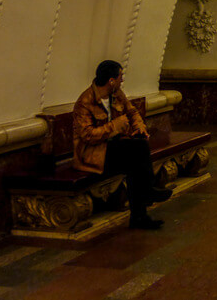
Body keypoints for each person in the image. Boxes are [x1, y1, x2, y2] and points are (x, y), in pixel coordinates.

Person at [73, 60, 173, 229]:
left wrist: (140, 128)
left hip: (113, 148)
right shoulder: (85, 102)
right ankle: (146, 196)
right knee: (138, 152)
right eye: (120, 77)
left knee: (137, 157)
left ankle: (139, 217)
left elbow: (132, 112)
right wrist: (114, 126)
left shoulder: (117, 94)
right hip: (93, 154)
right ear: (111, 80)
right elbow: (87, 136)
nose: (122, 81)